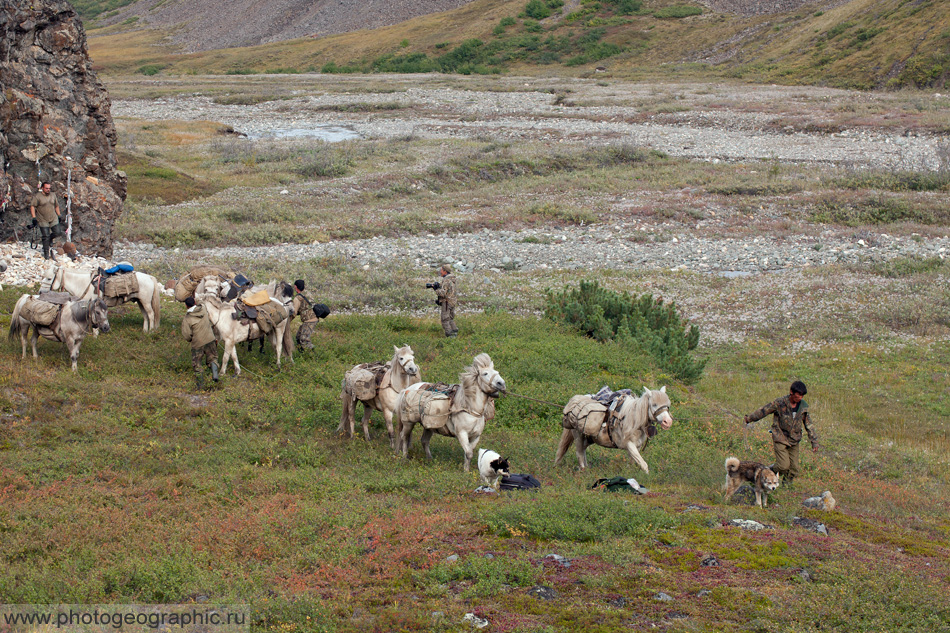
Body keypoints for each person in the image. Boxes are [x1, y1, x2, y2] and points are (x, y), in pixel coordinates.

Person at [744, 380, 819, 485]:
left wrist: (814, 441)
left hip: (794, 439)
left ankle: (786, 487)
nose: (800, 398)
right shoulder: (780, 403)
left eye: (802, 396)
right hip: (780, 437)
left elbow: (808, 424)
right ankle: (767, 471)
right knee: (783, 466)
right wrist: (749, 418)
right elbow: (764, 411)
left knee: (794, 469)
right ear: (791, 392)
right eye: (798, 396)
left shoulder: (803, 407)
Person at [181, 296, 219, 389]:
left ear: (186, 306)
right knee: (213, 358)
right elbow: (201, 300)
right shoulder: (203, 308)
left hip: (198, 344)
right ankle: (215, 376)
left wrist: (191, 339)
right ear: (194, 303)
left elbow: (186, 335)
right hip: (210, 339)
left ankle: (200, 384)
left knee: (197, 364)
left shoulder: (187, 318)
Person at [29, 182, 62, 260]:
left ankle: (50, 239)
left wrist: (59, 215)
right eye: (46, 188)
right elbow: (32, 206)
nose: (48, 190)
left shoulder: (53, 195)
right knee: (45, 236)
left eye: (49, 188)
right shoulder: (38, 196)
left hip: (53, 217)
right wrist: (34, 217)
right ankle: (46, 254)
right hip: (42, 219)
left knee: (58, 232)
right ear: (42, 188)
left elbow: (56, 205)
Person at [432, 264, 458, 337]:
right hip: (453, 301)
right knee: (450, 318)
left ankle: (450, 335)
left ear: (445, 271)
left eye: (441, 270)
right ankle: (454, 331)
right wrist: (439, 285)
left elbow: (443, 293)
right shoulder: (453, 279)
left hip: (447, 302)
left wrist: (436, 289)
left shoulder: (446, 280)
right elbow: (450, 290)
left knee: (445, 319)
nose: (440, 272)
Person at [291, 279, 318, 350]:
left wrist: (288, 321)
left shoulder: (297, 298)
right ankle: (301, 351)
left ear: (295, 287)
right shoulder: (307, 294)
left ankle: (312, 354)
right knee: (298, 336)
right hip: (313, 319)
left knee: (304, 339)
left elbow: (294, 313)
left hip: (309, 321)